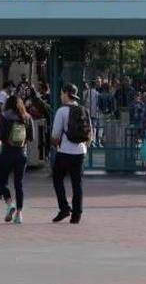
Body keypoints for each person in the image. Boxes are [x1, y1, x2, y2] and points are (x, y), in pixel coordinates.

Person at [51, 82, 88, 224]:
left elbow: (55, 134)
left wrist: (56, 144)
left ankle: (64, 208)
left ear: (66, 93)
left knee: (57, 178)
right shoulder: (83, 110)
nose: (61, 96)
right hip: (80, 152)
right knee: (77, 183)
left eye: (61, 93)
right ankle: (77, 214)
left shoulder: (62, 111)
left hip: (65, 152)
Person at [0, 93, 33, 224]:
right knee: (19, 183)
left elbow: (0, 136)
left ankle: (9, 203)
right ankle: (19, 214)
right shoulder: (27, 117)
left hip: (7, 152)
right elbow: (31, 137)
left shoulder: (5, 116)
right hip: (21, 154)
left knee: (2, 181)